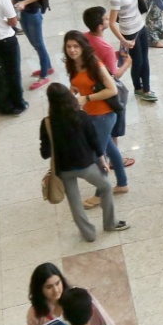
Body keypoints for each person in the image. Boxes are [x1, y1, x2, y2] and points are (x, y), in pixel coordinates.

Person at [42, 79, 125, 239]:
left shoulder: (47, 123)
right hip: (85, 165)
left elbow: (45, 153)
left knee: (75, 203)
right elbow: (94, 140)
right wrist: (102, 161)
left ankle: (88, 234)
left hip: (63, 169)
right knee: (106, 187)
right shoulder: (80, 116)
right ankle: (110, 223)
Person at [64, 28, 129, 195]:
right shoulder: (72, 64)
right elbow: (76, 83)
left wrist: (87, 98)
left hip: (104, 115)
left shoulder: (95, 65)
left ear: (83, 47)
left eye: (76, 46)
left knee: (97, 155)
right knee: (110, 150)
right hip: (90, 114)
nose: (72, 50)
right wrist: (71, 95)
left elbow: (112, 90)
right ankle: (122, 184)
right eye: (69, 46)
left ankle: (101, 194)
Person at [1, 0, 54, 89]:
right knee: (34, 43)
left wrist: (24, 2)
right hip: (23, 14)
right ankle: (47, 66)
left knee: (39, 44)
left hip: (33, 13)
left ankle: (44, 75)